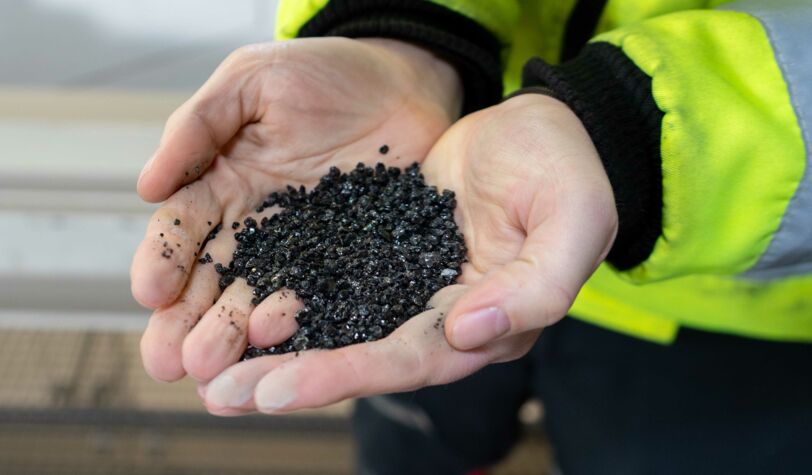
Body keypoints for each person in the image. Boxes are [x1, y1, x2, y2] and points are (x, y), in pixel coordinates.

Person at [130, 0, 812, 473]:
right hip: (468, 216)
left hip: (729, 299)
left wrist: (633, 129)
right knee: (412, 443)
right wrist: (403, 30)